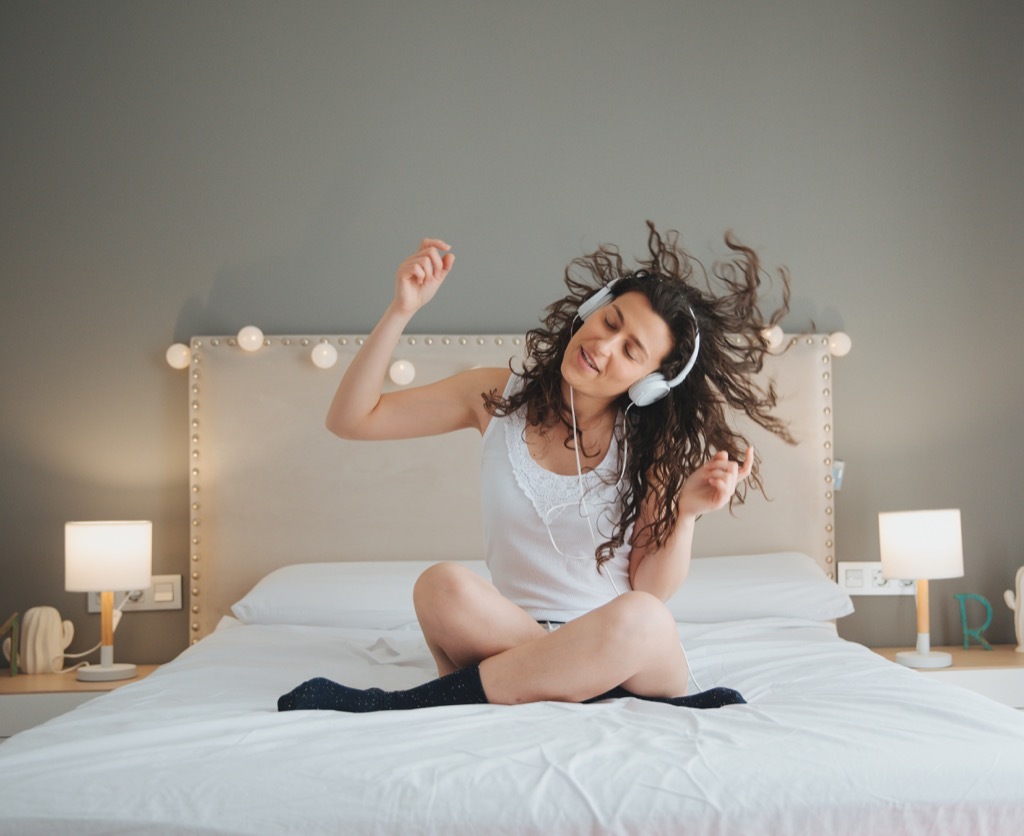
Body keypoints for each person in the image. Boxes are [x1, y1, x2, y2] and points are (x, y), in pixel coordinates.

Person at [278, 222, 792, 713]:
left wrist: (684, 516)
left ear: (649, 383)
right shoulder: (495, 394)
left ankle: (402, 704)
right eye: (609, 322)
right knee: (440, 587)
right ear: (591, 311)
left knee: (645, 617)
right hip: (516, 632)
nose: (603, 346)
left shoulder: (648, 443)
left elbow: (651, 588)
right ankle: (577, 684)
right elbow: (351, 420)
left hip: (626, 649)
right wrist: (400, 310)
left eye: (631, 351)